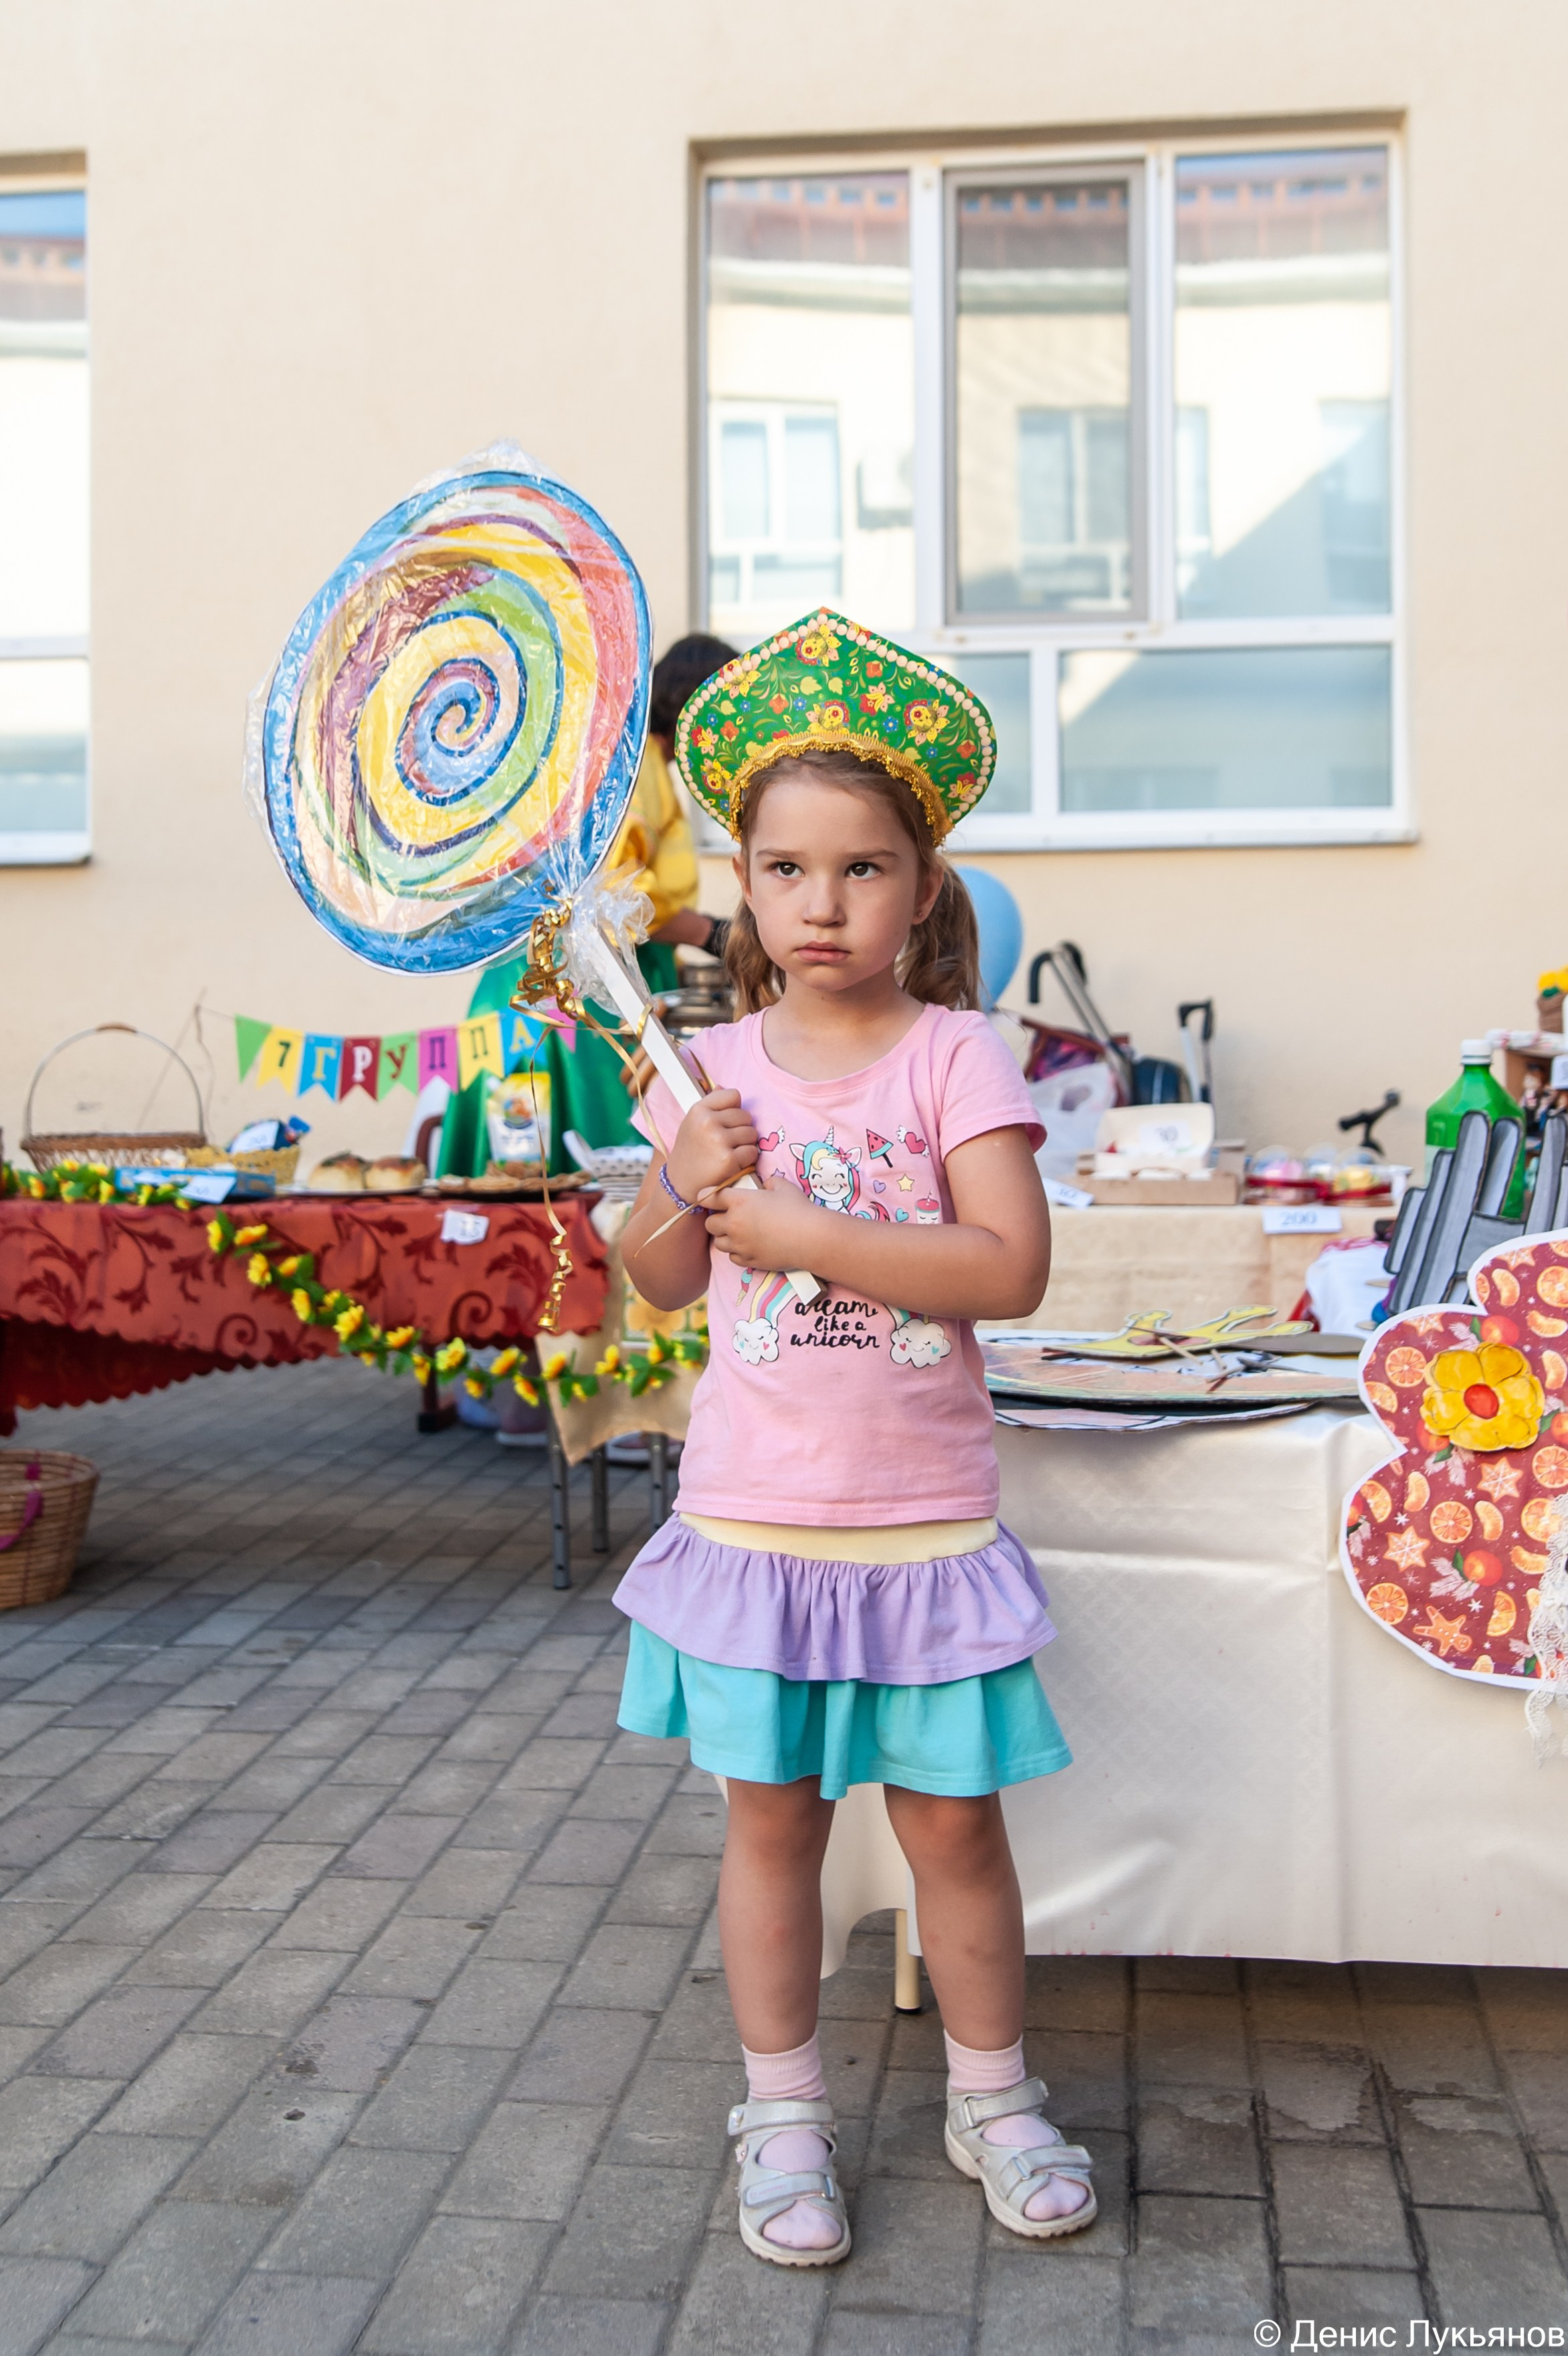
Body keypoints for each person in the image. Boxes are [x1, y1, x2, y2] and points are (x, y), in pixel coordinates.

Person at [611, 610, 1094, 2268]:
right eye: (787, 869)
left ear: (922, 888)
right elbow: (657, 1276)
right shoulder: (705, 1072)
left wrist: (807, 1229)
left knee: (952, 1826)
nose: (823, 904)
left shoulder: (957, 1056)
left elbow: (1002, 1268)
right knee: (772, 1825)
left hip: (916, 1525)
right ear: (740, 883)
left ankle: (990, 2094)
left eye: (864, 869)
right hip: (756, 1526)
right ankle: (781, 2115)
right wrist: (679, 1172)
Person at [435, 633, 737, 1177]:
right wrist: (713, 933)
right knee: (595, 1178)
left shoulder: (621, 759)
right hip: (579, 993)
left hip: (541, 986)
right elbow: (608, 900)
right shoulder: (638, 768)